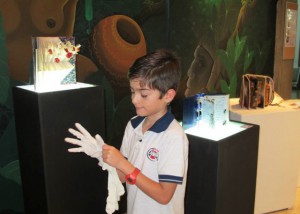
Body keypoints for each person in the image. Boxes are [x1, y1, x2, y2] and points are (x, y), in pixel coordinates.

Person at [65, 49, 189, 214]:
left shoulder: (174, 137)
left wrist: (123, 164)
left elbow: (164, 195)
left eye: (143, 95)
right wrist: (102, 156)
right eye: (132, 92)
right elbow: (123, 177)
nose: (134, 100)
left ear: (168, 95)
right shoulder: (133, 125)